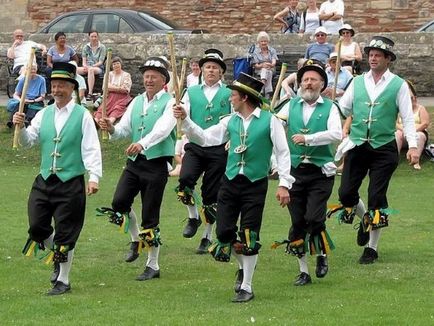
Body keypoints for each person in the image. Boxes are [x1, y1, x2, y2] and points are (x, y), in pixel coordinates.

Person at [173, 72, 294, 302]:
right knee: (224, 233)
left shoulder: (271, 121)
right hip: (229, 183)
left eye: (234, 95)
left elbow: (283, 152)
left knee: (249, 235)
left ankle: (246, 286)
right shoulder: (230, 120)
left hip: (254, 184)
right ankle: (244, 267)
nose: (230, 99)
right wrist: (186, 120)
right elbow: (206, 138)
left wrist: (284, 184)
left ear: (245, 98)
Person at [13, 62, 102, 295]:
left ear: (72, 88)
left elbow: (91, 148)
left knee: (66, 233)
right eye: (54, 84)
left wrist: (94, 177)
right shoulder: (44, 114)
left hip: (71, 181)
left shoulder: (83, 115)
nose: (56, 89)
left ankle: (63, 280)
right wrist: (20, 128)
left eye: (61, 85)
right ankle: (57, 255)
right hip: (44, 180)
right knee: (37, 227)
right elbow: (27, 141)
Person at [336, 36, 418, 264]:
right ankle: (365, 220)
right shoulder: (357, 82)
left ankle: (372, 248)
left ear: (388, 59)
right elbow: (344, 109)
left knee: (376, 197)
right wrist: (334, 103)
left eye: (377, 55)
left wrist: (412, 146)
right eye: (370, 54)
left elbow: (408, 119)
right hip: (359, 144)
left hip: (384, 147)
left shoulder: (398, 84)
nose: (372, 58)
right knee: (346, 194)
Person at [98, 57, 176, 280]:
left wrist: (143, 143)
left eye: (154, 76)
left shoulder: (171, 103)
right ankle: (135, 240)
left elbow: (163, 130)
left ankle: (153, 265)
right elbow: (124, 130)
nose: (149, 79)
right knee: (119, 202)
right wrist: (111, 128)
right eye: (146, 76)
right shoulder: (137, 101)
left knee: (150, 216)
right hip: (135, 164)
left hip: (157, 164)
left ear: (164, 80)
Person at [276, 59, 342, 286]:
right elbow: (275, 126)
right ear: (299, 83)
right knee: (297, 222)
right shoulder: (290, 105)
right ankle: (303, 270)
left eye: (314, 79)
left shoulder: (331, 107)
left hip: (320, 172)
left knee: (314, 218)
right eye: (305, 80)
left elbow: (336, 134)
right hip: (294, 171)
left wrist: (309, 139)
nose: (309, 83)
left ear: (322, 84)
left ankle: (322, 255)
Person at [176, 49, 232, 254]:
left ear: (221, 72)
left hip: (219, 148)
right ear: (201, 70)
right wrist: (180, 113)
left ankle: (207, 235)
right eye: (208, 67)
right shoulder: (190, 92)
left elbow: (234, 119)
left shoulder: (229, 93)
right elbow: (183, 114)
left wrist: (232, 140)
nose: (211, 70)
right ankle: (193, 217)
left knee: (211, 194)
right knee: (185, 180)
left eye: (215, 68)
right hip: (196, 146)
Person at [395, 80, 430, 170]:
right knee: (397, 134)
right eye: (408, 98)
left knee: (419, 135)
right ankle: (394, 158)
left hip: (417, 132)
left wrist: (412, 130)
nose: (411, 100)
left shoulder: (420, 108)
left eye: (412, 98)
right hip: (403, 133)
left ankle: (416, 160)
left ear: (415, 98)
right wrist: (403, 129)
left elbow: (425, 123)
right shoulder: (400, 110)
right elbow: (395, 123)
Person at [94, 56, 132, 124]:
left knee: (117, 109)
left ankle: (109, 124)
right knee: (102, 109)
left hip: (122, 97)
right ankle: (95, 123)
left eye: (118, 63)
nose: (116, 65)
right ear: (111, 66)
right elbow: (105, 87)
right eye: (114, 64)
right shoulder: (108, 74)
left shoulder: (126, 75)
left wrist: (112, 87)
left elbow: (125, 89)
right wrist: (119, 88)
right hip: (109, 96)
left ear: (121, 64)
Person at [77, 30, 106, 98]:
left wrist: (91, 66)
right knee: (74, 69)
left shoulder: (102, 47)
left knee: (91, 70)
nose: (93, 38)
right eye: (92, 36)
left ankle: (90, 93)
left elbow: (100, 62)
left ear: (98, 37)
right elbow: (84, 60)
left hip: (98, 67)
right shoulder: (86, 47)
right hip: (87, 66)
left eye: (95, 36)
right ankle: (77, 90)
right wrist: (85, 66)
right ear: (89, 37)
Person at [251, 31, 278, 98]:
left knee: (267, 71)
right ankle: (268, 95)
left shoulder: (272, 50)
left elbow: (274, 62)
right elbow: (255, 65)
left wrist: (270, 65)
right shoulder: (255, 52)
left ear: (267, 42)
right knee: (265, 71)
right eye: (262, 41)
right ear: (259, 42)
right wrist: (262, 65)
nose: (263, 43)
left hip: (271, 68)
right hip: (259, 69)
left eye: (265, 41)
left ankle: (261, 87)